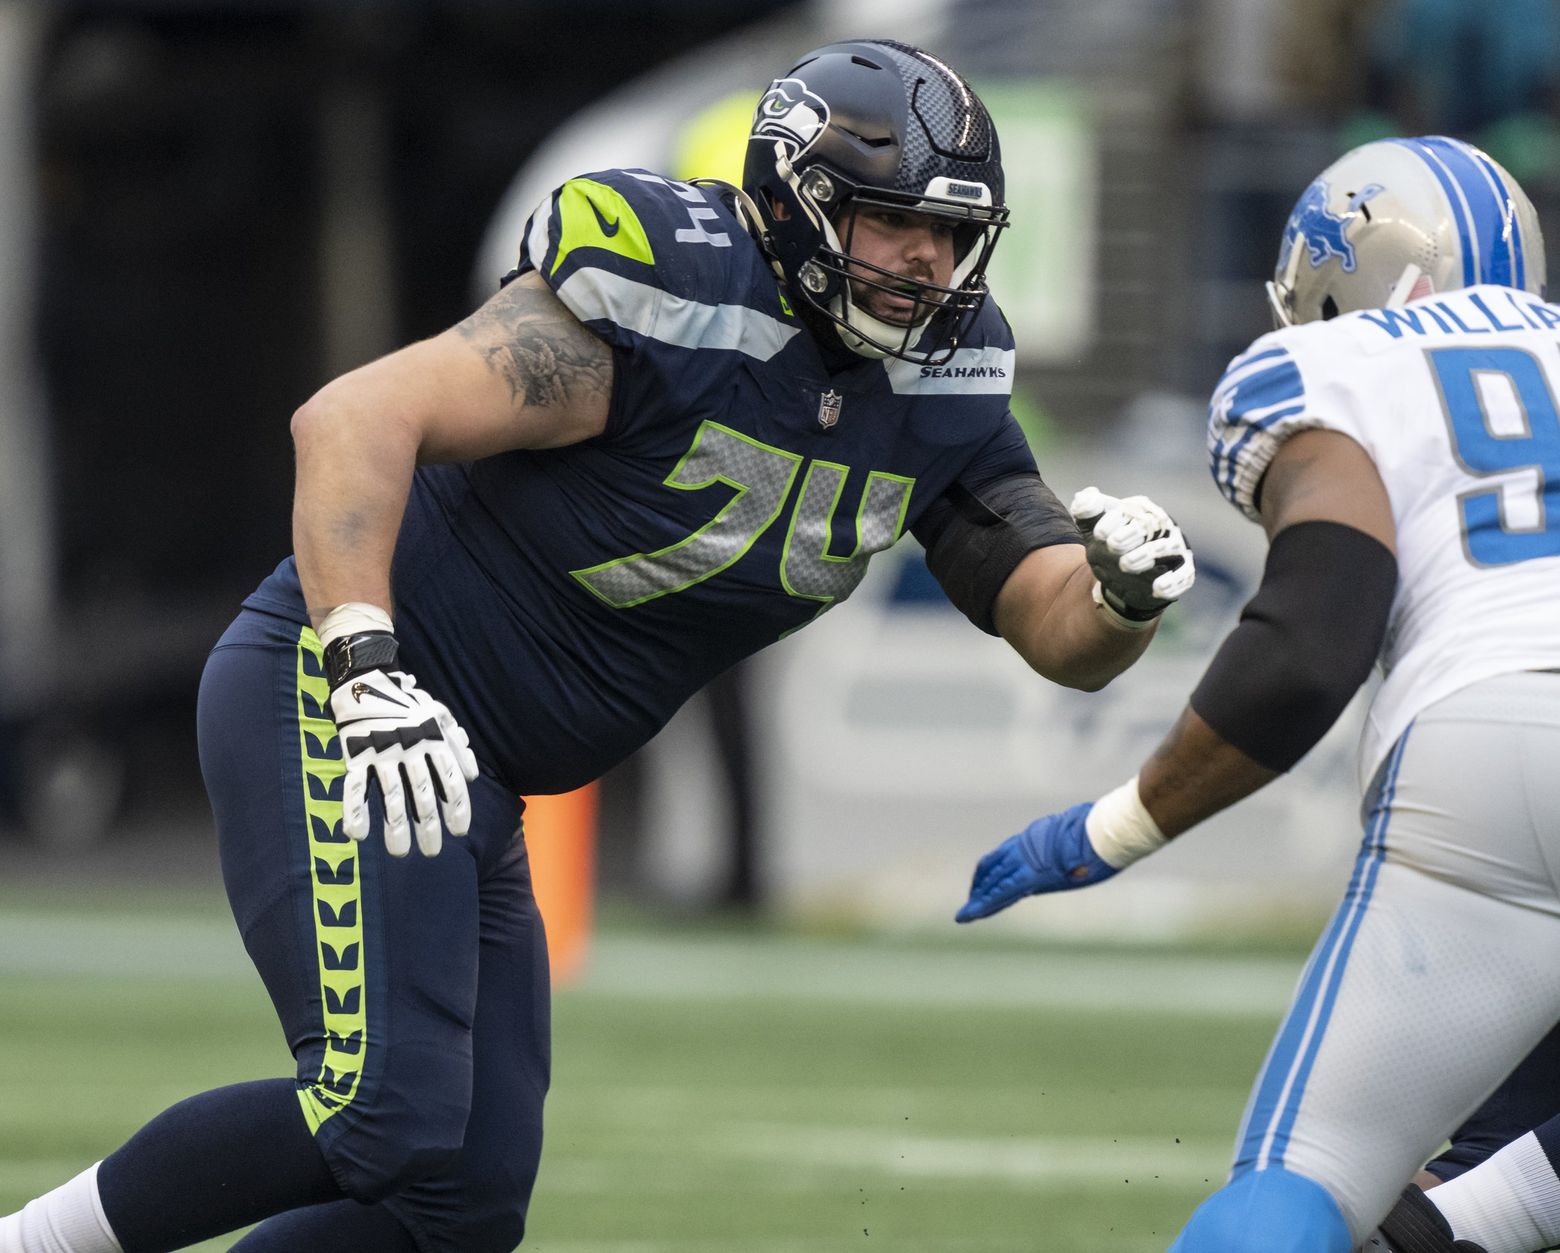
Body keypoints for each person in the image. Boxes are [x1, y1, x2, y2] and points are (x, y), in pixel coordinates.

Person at [0, 39, 1195, 1253]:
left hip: (479, 779)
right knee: (379, 1109)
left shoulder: (943, 380)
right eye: (893, 225)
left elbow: (1052, 618)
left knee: (457, 1206)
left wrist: (1121, 596)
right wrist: (367, 664)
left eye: (949, 233)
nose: (927, 262)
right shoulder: (676, 298)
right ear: (799, 201)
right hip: (352, 703)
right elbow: (356, 415)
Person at [956, 133, 1560, 1253]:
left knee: (1303, 1179)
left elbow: (1313, 641)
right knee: (1494, 1166)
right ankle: (1457, 1222)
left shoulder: (1336, 367)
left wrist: (1113, 825)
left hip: (1494, 732)